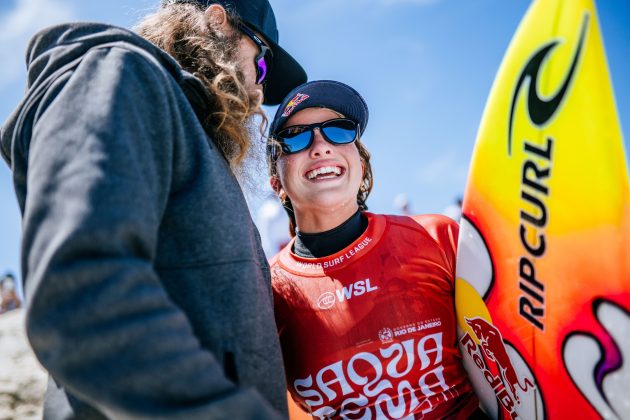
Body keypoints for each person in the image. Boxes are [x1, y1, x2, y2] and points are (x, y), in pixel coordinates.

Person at [0, 0, 306, 418]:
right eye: (262, 66)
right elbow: (81, 294)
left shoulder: (195, 140)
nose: (258, 94)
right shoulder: (121, 75)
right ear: (217, 22)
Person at [266, 80, 483, 418]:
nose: (321, 146)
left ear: (361, 165)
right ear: (277, 184)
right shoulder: (267, 292)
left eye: (339, 130)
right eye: (296, 137)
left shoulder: (437, 237)